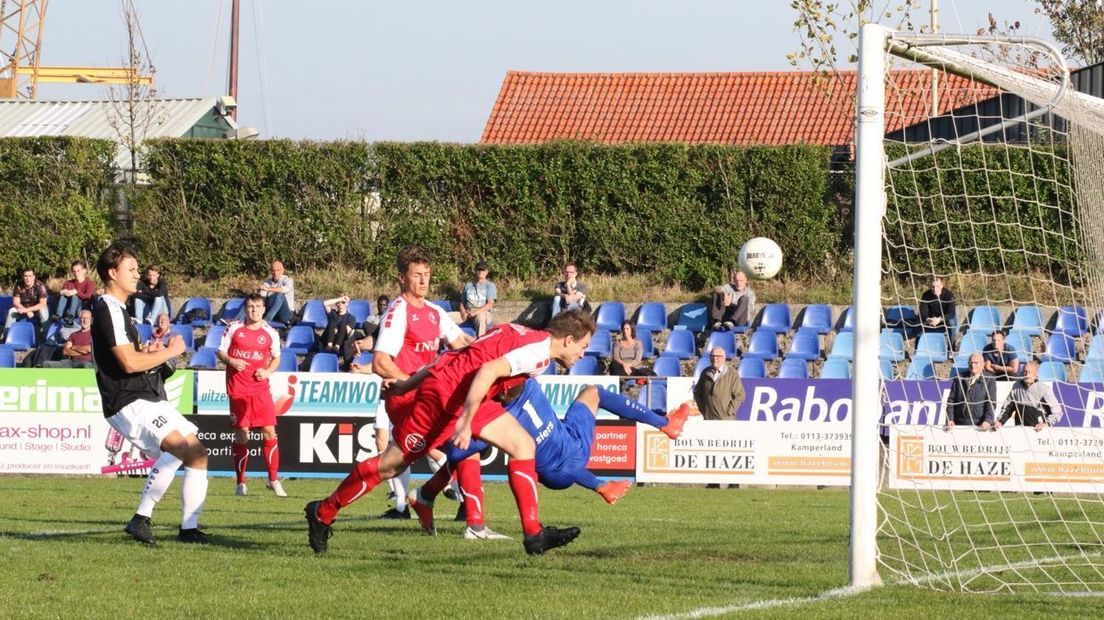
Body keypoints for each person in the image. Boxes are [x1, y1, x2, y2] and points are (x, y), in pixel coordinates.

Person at [304, 310, 595, 556]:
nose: (583, 354)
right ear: (568, 339)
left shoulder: (521, 331)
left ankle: (534, 534)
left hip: (457, 388)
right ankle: (323, 512)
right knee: (392, 465)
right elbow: (487, 372)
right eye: (582, 347)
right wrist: (466, 420)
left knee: (523, 445)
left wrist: (407, 385)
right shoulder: (539, 354)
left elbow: (458, 356)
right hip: (445, 397)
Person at [410, 380, 690, 533]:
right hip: (567, 453)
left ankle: (457, 512)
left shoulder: (502, 413)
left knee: (472, 447)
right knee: (593, 393)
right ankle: (664, 423)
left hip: (561, 457)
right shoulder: (527, 383)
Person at [90, 240, 209, 545]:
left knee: (197, 454)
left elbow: (135, 356)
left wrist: (152, 350)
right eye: (131, 269)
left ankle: (189, 529)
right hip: (128, 399)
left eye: (138, 269)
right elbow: (128, 363)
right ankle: (141, 519)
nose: (137, 274)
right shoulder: (107, 307)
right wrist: (168, 351)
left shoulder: (121, 312)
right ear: (112, 273)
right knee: (178, 447)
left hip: (145, 396)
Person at [362, 247, 478, 528]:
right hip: (408, 398)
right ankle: (464, 510)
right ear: (402, 278)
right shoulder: (398, 312)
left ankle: (413, 502)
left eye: (427, 275)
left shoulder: (434, 312)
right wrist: (413, 382)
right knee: (457, 447)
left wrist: (491, 351)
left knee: (399, 459)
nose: (424, 281)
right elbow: (380, 362)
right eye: (417, 275)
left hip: (426, 396)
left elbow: (462, 343)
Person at [216, 293, 285, 497]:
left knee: (269, 432)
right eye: (250, 306)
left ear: (264, 309)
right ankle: (241, 482)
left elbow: (276, 358)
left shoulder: (270, 333)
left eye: (257, 306)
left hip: (260, 389)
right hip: (238, 389)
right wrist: (232, 361)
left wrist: (267, 371)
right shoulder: (234, 328)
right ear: (246, 309)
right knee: (242, 435)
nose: (254, 310)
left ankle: (273, 480)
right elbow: (220, 352)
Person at [995, 361, 1064, 431]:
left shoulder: (1044, 389)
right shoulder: (1016, 386)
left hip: (1038, 431)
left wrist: (1046, 424)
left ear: (1036, 374)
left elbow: (1057, 412)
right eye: (1025, 372)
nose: (1027, 375)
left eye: (1030, 372)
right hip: (1020, 431)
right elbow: (1008, 408)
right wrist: (1000, 421)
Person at [944, 352, 996, 431]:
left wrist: (988, 420)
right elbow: (951, 400)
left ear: (982, 365)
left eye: (976, 363)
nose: (973, 365)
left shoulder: (989, 379)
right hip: (958, 424)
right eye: (971, 363)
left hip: (979, 425)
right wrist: (949, 418)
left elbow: (991, 402)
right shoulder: (960, 378)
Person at [693, 346, 744, 420]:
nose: (715, 359)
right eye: (712, 356)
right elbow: (697, 392)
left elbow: (739, 395)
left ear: (724, 358)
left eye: (718, 356)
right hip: (709, 420)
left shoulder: (732, 373)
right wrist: (703, 410)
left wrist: (729, 412)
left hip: (726, 421)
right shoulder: (705, 373)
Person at [4, 267, 49, 334]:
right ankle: (6, 335)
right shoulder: (18, 285)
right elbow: (15, 302)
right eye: (26, 276)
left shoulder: (40, 285)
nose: (28, 279)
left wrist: (28, 310)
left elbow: (43, 303)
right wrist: (26, 310)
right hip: (22, 309)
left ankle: (47, 336)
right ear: (23, 277)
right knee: (12, 311)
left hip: (36, 310)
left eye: (30, 276)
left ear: (34, 277)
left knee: (43, 311)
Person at [459, 261, 497, 337]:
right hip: (468, 312)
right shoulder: (468, 285)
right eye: (479, 270)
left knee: (481, 318)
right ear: (475, 271)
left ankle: (480, 342)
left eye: (483, 270)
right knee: (448, 317)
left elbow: (490, 304)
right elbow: (462, 302)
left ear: (486, 272)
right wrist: (463, 312)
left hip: (483, 312)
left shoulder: (490, 286)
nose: (480, 272)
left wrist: (475, 313)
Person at [319, 294, 357, 368]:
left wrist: (337, 330)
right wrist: (339, 299)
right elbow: (325, 303)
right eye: (338, 303)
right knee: (332, 321)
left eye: (343, 302)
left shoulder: (351, 318)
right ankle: (329, 345)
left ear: (347, 304)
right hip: (327, 341)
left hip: (341, 342)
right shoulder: (333, 314)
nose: (340, 305)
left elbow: (348, 331)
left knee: (343, 324)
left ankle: (337, 346)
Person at [919, 276, 956, 351]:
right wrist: (928, 319)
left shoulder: (949, 295)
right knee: (918, 321)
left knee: (952, 322)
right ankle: (918, 349)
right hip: (931, 319)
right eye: (933, 286)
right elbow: (922, 311)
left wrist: (940, 319)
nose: (935, 289)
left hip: (944, 318)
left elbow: (951, 313)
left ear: (942, 286)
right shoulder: (926, 295)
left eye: (937, 286)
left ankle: (951, 349)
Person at [54, 260, 95, 325]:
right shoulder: (69, 283)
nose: (76, 273)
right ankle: (58, 315)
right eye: (74, 271)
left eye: (78, 271)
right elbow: (62, 292)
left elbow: (88, 296)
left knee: (75, 295)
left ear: (84, 271)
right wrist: (64, 292)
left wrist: (76, 292)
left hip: (82, 307)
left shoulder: (89, 283)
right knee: (64, 295)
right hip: (69, 308)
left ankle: (71, 315)